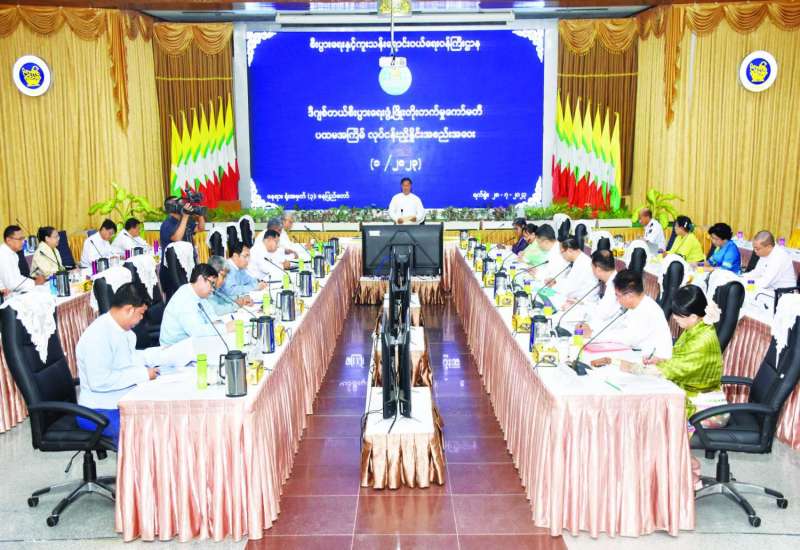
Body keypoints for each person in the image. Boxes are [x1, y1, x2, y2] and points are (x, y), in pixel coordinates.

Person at [75, 283, 159, 444]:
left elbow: (129, 360)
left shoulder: (121, 330)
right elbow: (99, 381)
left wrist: (158, 357)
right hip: (99, 410)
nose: (141, 319)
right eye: (141, 314)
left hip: (119, 399)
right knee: (145, 433)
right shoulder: (98, 336)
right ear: (129, 309)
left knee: (161, 418)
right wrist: (142, 374)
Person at [622, 285, 723, 417]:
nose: (674, 318)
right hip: (691, 393)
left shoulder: (702, 340)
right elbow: (680, 361)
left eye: (678, 315)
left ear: (693, 316)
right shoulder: (697, 328)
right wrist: (660, 360)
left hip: (704, 409)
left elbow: (675, 369)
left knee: (649, 409)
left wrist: (632, 368)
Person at [579, 269, 673, 359]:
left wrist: (593, 334)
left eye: (618, 295)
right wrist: (590, 329)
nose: (617, 299)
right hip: (635, 353)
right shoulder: (634, 306)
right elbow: (615, 326)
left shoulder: (648, 310)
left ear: (630, 295)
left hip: (651, 361)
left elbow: (627, 338)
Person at [160, 263, 236, 345]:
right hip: (174, 347)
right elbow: (196, 331)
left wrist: (219, 324)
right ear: (200, 279)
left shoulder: (200, 295)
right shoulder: (184, 297)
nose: (213, 289)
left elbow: (212, 316)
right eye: (212, 284)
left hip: (191, 342)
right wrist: (225, 328)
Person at [159, 196, 206, 263]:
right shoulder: (167, 223)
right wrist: (185, 216)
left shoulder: (185, 219)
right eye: (179, 203)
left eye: (182, 203)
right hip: (174, 263)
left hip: (189, 258)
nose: (183, 205)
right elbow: (177, 238)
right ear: (172, 208)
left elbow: (200, 228)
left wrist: (200, 214)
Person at [0, 225, 45, 293]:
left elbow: (17, 277)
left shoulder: (14, 254)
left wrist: (33, 282)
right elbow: (11, 285)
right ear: (8, 240)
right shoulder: (3, 255)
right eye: (20, 239)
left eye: (23, 238)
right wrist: (34, 283)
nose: (23, 242)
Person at [584, 249, 618, 327]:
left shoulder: (614, 286)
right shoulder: (614, 279)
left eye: (592, 267)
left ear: (598, 270)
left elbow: (601, 315)